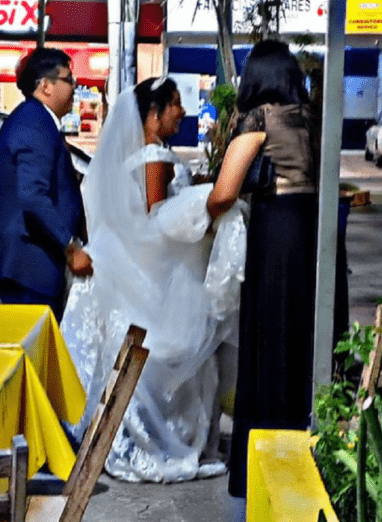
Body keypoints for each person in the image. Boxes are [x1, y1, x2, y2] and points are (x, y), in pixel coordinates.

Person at [61, 76, 247, 482]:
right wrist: (202, 208)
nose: (182, 112)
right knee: (186, 358)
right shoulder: (152, 158)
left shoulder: (145, 157)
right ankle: (166, 443)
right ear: (153, 113)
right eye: (175, 104)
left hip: (136, 274)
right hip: (157, 279)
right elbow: (155, 221)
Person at [205, 40, 319, 501]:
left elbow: (223, 191)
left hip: (276, 236)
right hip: (313, 233)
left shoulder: (260, 117)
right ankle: (303, 454)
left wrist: (207, 213)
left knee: (269, 339)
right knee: (303, 340)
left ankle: (263, 467)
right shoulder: (312, 116)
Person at [0, 47, 92, 321]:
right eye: (69, 80)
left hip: (30, 261)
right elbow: (33, 196)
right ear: (45, 86)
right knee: (34, 351)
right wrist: (70, 247)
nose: (75, 88)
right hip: (28, 264)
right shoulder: (34, 122)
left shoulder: (36, 119)